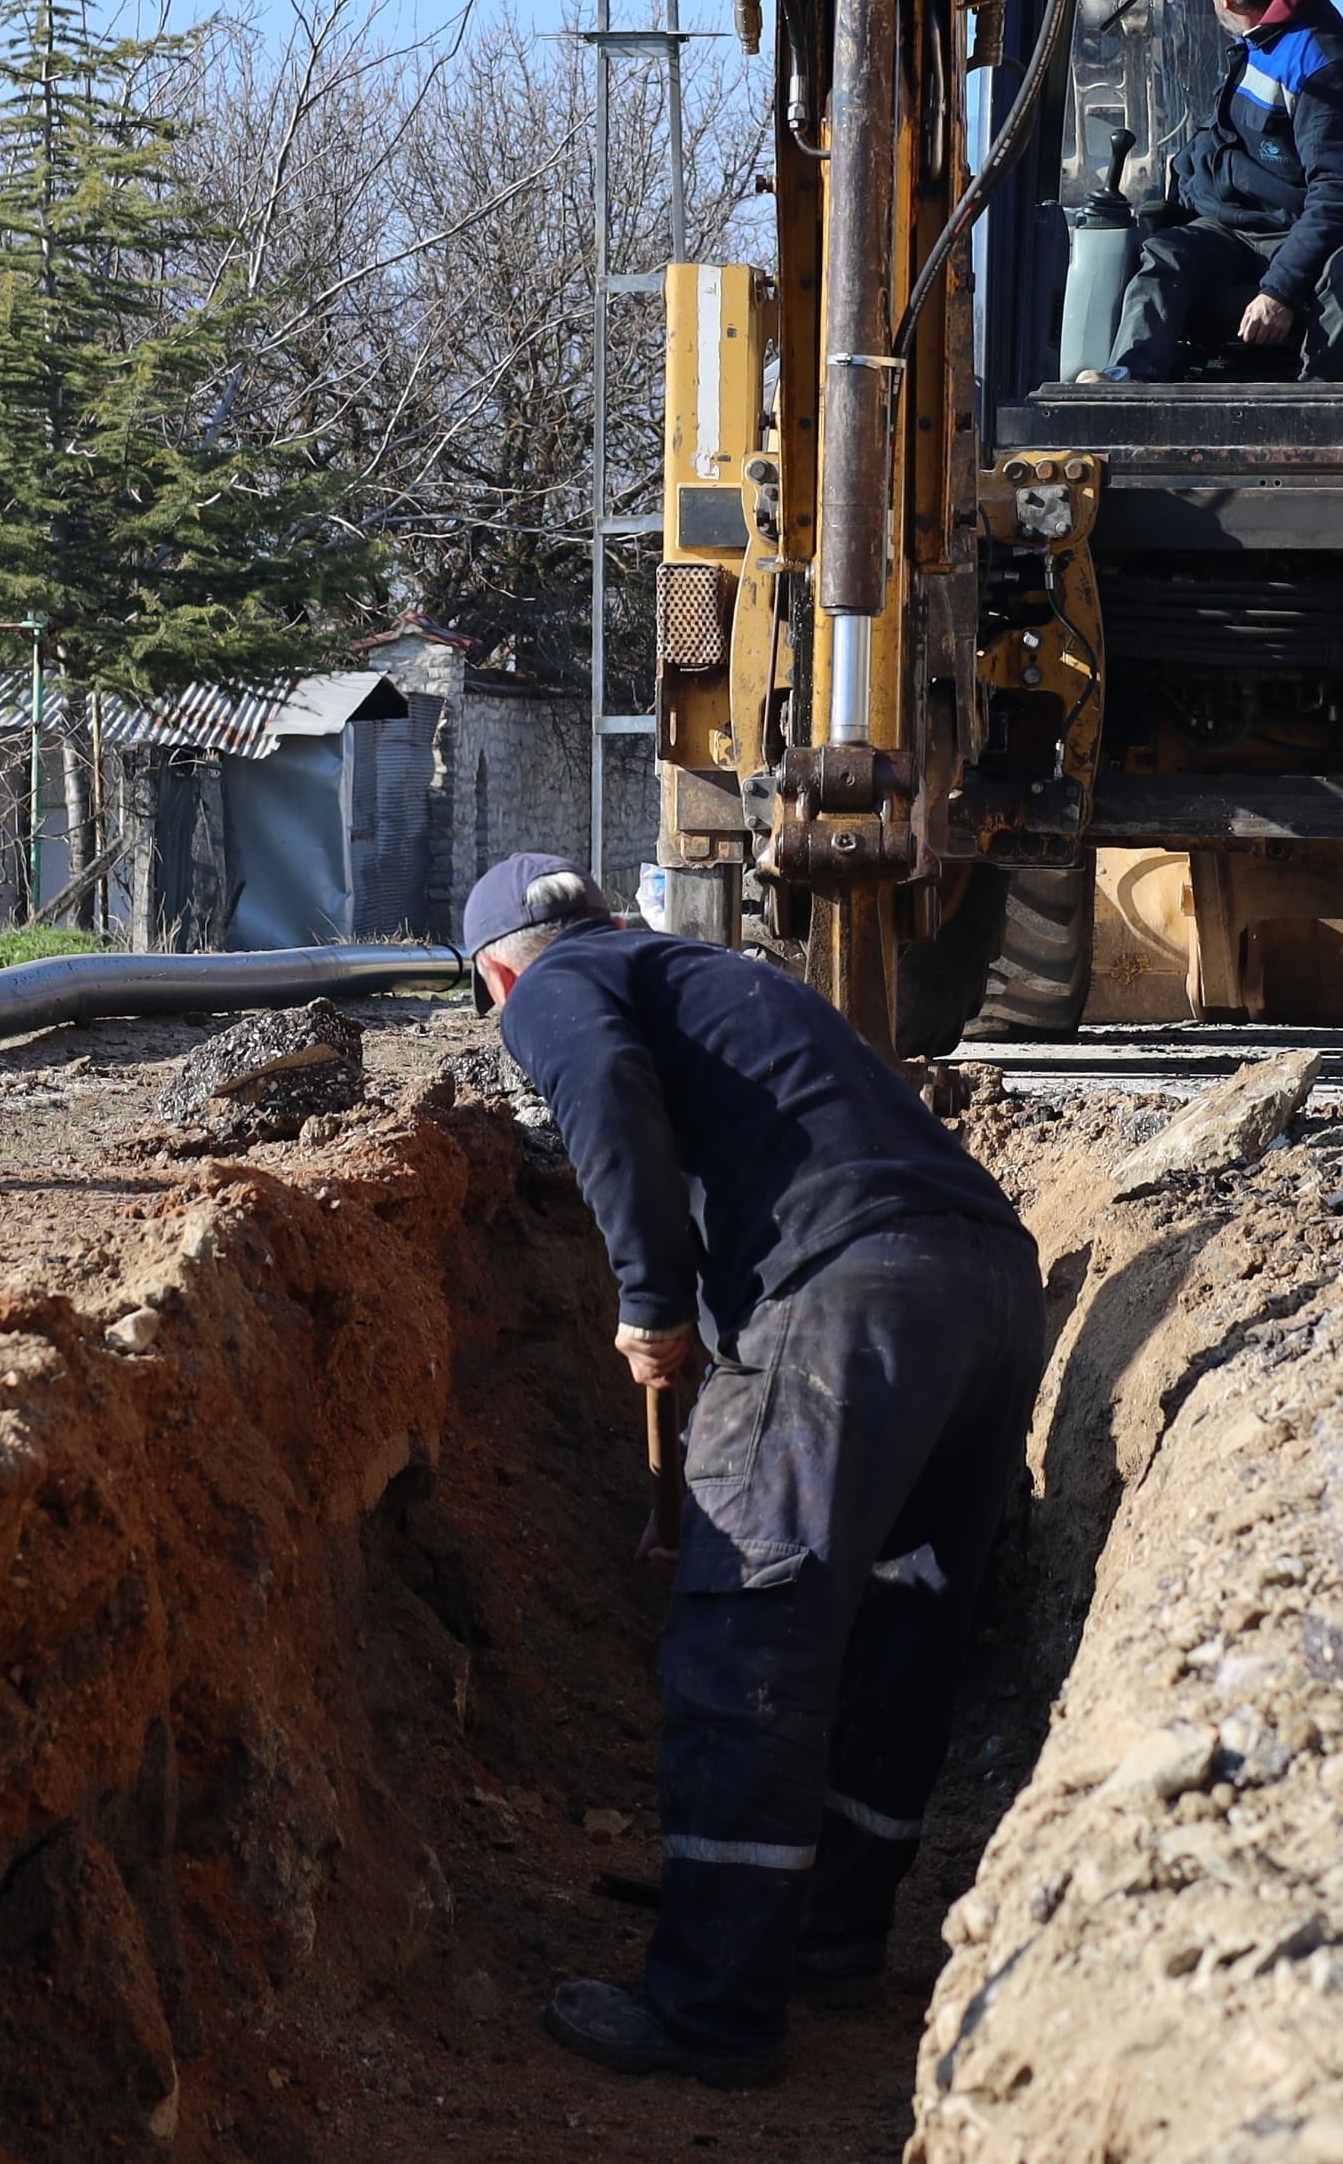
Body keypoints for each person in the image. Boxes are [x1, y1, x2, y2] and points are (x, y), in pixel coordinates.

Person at [463, 853, 1046, 2088]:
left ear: (499, 968)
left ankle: (711, 2006)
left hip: (847, 1293)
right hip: (986, 1279)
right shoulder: (709, 972)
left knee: (748, 1631)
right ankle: (830, 1935)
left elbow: (605, 1090)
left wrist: (651, 1301)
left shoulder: (554, 986)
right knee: (900, 1618)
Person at [1109, 0, 1343, 381]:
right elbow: (1226, 141)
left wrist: (1281, 291)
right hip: (1238, 228)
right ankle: (1126, 383)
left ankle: (1317, 404)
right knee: (1166, 253)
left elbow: (1338, 193)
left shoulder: (1321, 67)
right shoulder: (1260, 41)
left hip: (1304, 235)